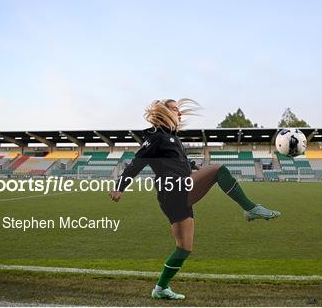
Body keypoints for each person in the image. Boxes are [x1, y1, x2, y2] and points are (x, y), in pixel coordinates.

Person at [109, 99, 280, 300]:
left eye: (180, 111)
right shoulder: (156, 137)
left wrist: (193, 164)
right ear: (164, 112)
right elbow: (137, 163)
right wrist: (120, 186)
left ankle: (160, 288)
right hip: (173, 189)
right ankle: (250, 208)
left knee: (184, 248)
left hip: (174, 195)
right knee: (219, 170)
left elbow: (176, 161)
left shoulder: (172, 139)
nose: (179, 114)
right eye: (175, 110)